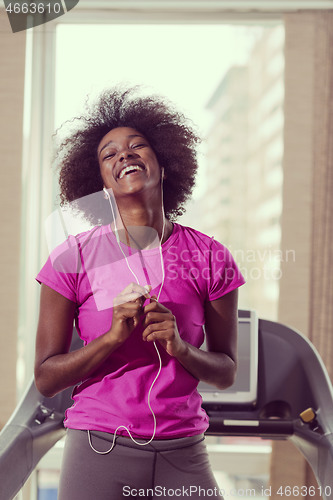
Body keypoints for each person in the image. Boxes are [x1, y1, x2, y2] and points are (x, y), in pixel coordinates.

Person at [34, 87, 245, 499]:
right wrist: (112, 337)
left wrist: (180, 347)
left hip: (183, 450)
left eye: (137, 146)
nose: (124, 156)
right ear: (99, 182)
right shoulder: (72, 258)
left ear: (164, 165)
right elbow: (46, 378)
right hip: (98, 447)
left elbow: (226, 372)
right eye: (108, 155)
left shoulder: (210, 256)